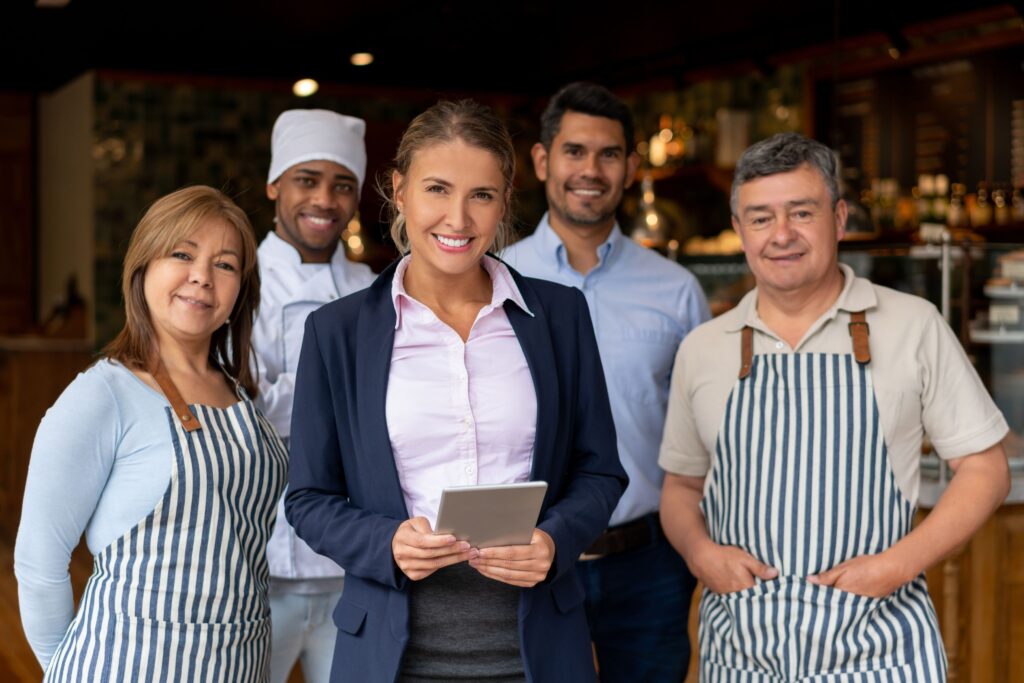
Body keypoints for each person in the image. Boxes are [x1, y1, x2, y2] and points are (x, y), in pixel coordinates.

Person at [285, 99, 627, 683]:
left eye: (482, 195)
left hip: (539, 645)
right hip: (391, 654)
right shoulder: (337, 332)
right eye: (438, 189)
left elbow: (600, 472)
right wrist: (386, 540)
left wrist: (553, 540)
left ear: (504, 201)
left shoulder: (562, 315)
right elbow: (309, 498)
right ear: (399, 190)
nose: (458, 218)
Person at [659, 132, 1010, 682]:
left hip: (879, 648)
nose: (782, 235)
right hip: (745, 651)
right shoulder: (703, 347)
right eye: (760, 218)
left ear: (839, 218)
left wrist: (896, 566)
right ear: (738, 231)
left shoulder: (912, 324)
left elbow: (986, 471)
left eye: (802, 212)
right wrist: (699, 553)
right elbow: (680, 487)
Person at [15, 186, 287, 681]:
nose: (202, 276)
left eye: (225, 265)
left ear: (240, 291)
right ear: (143, 268)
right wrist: (69, 671)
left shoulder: (244, 398)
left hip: (241, 664)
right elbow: (39, 562)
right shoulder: (102, 395)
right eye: (182, 254)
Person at [502, 81, 709, 681]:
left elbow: (701, 433)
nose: (590, 170)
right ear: (542, 161)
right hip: (522, 558)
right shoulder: (493, 279)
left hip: (647, 563)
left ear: (630, 168)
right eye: (574, 151)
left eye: (608, 154)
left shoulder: (676, 290)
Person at [254, 108, 375, 683]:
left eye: (342, 185)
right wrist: (344, 395)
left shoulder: (372, 290)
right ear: (275, 185)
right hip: (258, 565)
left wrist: (288, 393)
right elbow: (241, 412)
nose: (325, 199)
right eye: (307, 180)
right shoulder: (237, 279)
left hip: (351, 564)